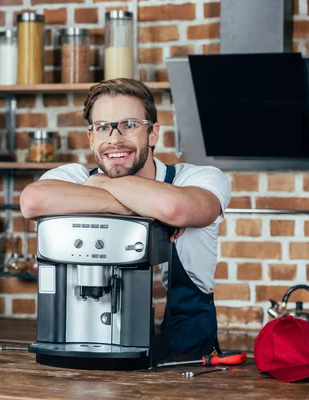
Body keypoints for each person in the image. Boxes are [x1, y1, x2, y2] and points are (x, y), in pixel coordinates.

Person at [20, 78, 231, 357]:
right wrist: (145, 207)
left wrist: (100, 185)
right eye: (103, 127)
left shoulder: (197, 178)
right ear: (92, 138)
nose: (115, 138)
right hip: (86, 349)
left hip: (185, 362)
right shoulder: (73, 176)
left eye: (129, 125)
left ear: (153, 134)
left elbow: (175, 209)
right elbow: (32, 201)